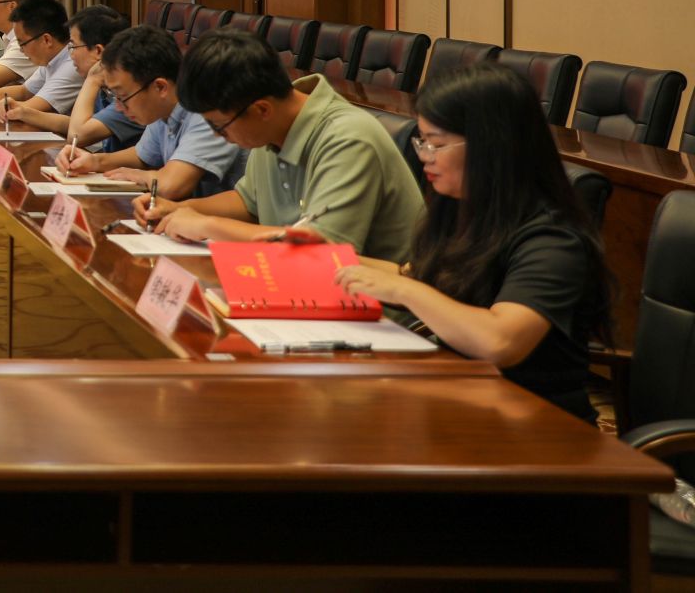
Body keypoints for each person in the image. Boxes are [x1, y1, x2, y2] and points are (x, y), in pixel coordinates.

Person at [333, 65, 609, 422]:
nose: (424, 155)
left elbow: (501, 342)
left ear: (491, 145)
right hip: (465, 398)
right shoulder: (468, 209)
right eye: (421, 141)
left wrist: (404, 290)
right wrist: (328, 256)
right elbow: (416, 275)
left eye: (437, 144)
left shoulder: (553, 239)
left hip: (536, 423)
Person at [141, 29, 424, 264]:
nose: (219, 137)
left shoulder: (348, 139)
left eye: (220, 126)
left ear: (261, 109)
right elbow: (248, 203)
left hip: (378, 305)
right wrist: (179, 209)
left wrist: (207, 225)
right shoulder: (271, 129)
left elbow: (321, 254)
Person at [56, 24, 244, 199]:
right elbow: (142, 156)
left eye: (123, 97)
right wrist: (94, 161)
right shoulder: (163, 108)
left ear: (160, 87)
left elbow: (172, 185)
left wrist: (141, 176)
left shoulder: (207, 111)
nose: (119, 107)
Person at [12, 6, 145, 150]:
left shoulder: (129, 95)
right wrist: (23, 112)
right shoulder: (106, 86)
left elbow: (76, 135)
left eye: (73, 46)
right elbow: (73, 124)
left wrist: (92, 80)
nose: (71, 55)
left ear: (98, 51)